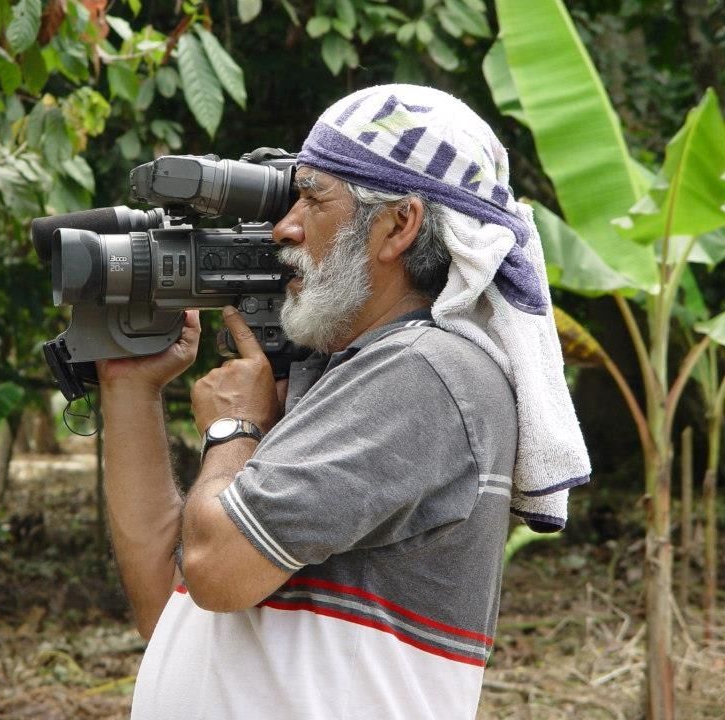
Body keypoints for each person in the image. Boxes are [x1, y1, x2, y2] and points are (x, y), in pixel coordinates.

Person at [96, 84, 590, 720]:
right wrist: (129, 388)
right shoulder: (349, 374)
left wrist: (233, 429)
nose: (285, 226)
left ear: (399, 225)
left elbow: (215, 569)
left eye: (313, 198)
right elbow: (170, 603)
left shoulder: (424, 375)